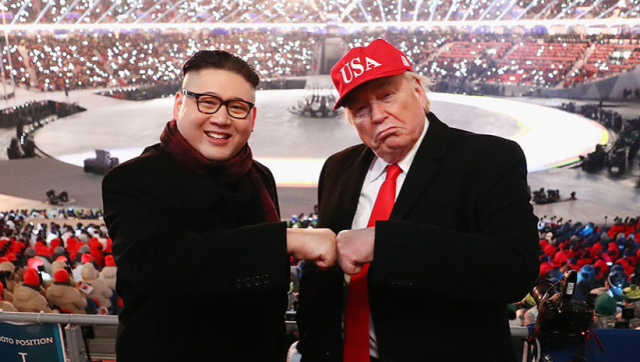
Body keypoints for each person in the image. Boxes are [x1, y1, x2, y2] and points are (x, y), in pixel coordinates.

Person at [296, 39, 540, 362]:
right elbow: (321, 282)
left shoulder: (490, 159)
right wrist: (309, 347)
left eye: (387, 95)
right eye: (361, 109)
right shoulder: (336, 169)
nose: (378, 115)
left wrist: (384, 243)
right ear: (353, 121)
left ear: (418, 92)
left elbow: (514, 270)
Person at [102, 50, 336, 362]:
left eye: (237, 107)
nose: (222, 118)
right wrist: (285, 240)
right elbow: (155, 267)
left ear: (251, 120)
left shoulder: (260, 177)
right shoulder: (132, 178)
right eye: (208, 101)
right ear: (178, 104)